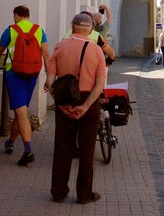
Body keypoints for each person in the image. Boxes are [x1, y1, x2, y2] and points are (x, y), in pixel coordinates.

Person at [44, 12, 107, 204]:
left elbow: (50, 82)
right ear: (90, 30)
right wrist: (86, 106)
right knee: (87, 150)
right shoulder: (96, 50)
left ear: (72, 27)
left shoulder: (60, 47)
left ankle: (58, 192)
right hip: (89, 99)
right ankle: (84, 194)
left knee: (62, 147)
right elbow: (99, 84)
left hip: (65, 98)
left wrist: (62, 105)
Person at [0, 5, 51, 166]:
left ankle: (28, 150)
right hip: (33, 74)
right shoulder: (39, 31)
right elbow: (47, 56)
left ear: (16, 15)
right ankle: (11, 141)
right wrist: (49, 77)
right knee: (21, 110)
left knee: (20, 111)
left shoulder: (10, 31)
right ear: (28, 16)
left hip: (14, 74)